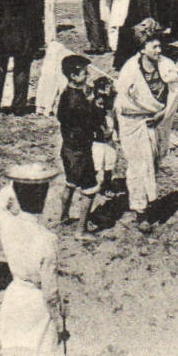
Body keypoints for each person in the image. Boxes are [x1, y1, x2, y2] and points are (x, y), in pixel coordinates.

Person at [0, 164, 67, 352]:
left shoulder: (7, 224)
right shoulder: (46, 239)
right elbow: (50, 293)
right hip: (37, 304)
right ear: (43, 197)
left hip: (15, 295)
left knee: (6, 350)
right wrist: (59, 320)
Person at [115, 20, 178, 235]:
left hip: (157, 121)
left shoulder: (167, 66)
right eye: (154, 47)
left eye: (160, 46)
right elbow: (122, 102)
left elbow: (174, 93)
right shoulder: (129, 70)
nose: (159, 50)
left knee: (152, 162)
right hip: (133, 123)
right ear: (142, 49)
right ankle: (140, 211)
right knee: (137, 166)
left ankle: (149, 200)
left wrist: (162, 113)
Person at [56, 55, 105, 230]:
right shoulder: (78, 101)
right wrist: (96, 105)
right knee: (90, 189)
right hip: (81, 151)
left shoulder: (66, 95)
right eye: (85, 73)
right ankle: (81, 230)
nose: (88, 77)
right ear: (74, 76)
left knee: (70, 182)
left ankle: (64, 217)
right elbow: (92, 122)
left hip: (67, 148)